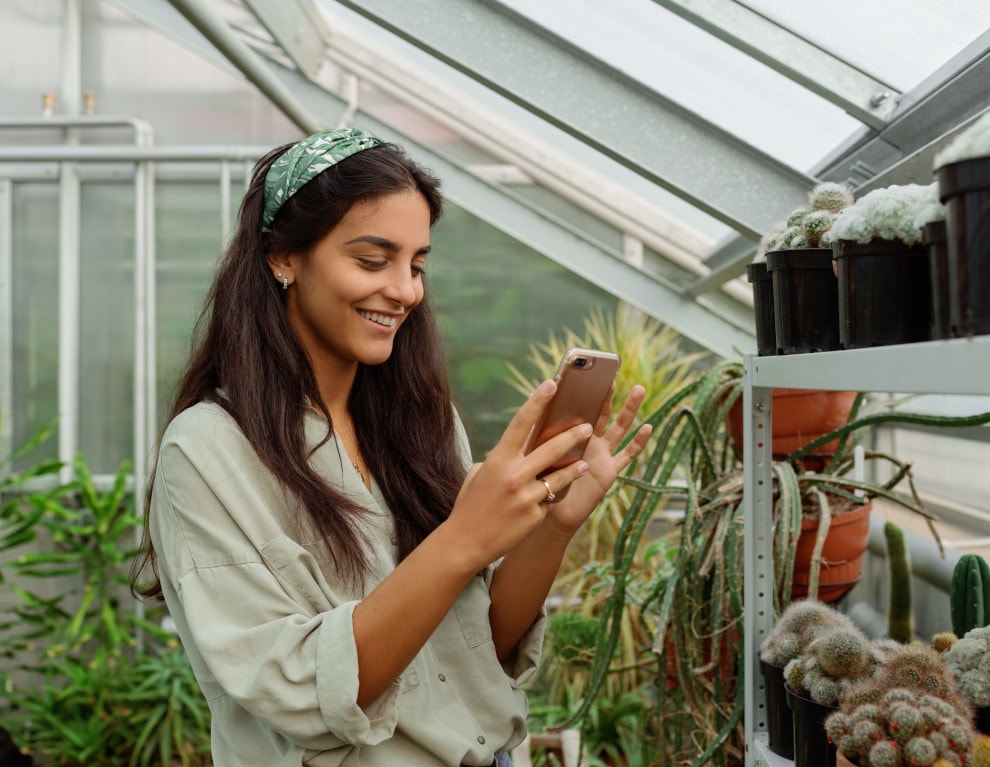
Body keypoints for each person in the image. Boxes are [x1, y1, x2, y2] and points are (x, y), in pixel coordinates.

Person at [130, 127, 652, 767]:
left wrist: (553, 528)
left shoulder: (422, 422)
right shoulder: (209, 451)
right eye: (373, 261)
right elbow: (302, 696)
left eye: (417, 264)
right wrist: (463, 538)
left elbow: (474, 646)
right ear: (282, 258)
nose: (405, 290)